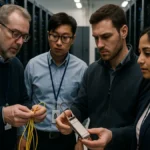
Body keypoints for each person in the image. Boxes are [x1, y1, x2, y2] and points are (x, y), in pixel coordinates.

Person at [56, 4, 150, 150]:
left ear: (123, 31)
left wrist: (112, 136)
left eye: (106, 37)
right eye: (96, 38)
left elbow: (142, 129)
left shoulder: (143, 73)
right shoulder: (92, 71)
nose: (99, 45)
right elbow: (82, 105)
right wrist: (71, 115)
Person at [19, 12, 88, 150]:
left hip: (67, 137)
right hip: (37, 136)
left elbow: (84, 107)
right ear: (48, 34)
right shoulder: (33, 65)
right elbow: (24, 102)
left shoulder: (81, 68)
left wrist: (82, 138)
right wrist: (23, 136)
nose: (58, 42)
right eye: (54, 36)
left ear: (73, 38)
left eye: (65, 37)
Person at [0, 4, 46, 150]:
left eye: (24, 36)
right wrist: (2, 114)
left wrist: (32, 111)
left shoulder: (16, 65)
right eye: (15, 33)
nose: (20, 42)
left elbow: (23, 100)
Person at [131, 27, 150, 150]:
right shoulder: (147, 88)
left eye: (147, 53)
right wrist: (110, 136)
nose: (139, 60)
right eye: (139, 52)